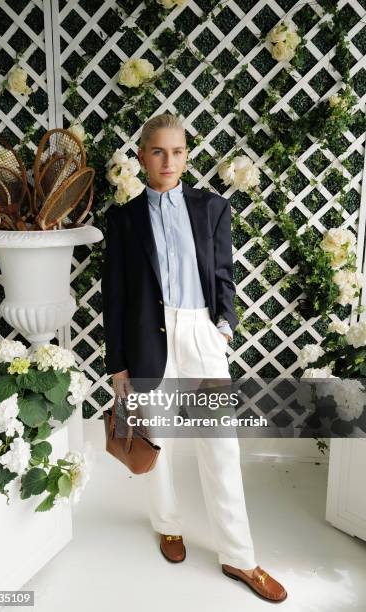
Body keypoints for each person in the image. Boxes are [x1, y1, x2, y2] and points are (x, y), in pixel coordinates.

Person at [101, 113, 287, 603]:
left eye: (177, 151)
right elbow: (114, 296)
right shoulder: (122, 220)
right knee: (155, 439)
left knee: (221, 447)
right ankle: (168, 525)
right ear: (141, 155)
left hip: (201, 333)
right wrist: (118, 365)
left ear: (187, 154)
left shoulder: (212, 208)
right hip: (148, 338)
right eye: (158, 151)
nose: (168, 160)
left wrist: (222, 326)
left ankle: (239, 557)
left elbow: (222, 273)